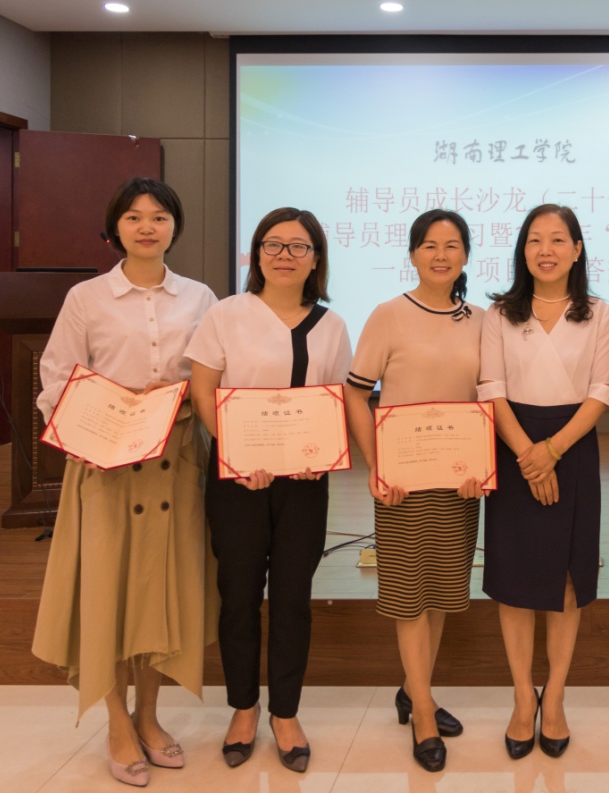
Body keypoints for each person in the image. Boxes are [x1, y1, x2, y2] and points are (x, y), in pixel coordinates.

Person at [32, 177, 219, 787]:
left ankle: (149, 716)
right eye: (134, 216)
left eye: (159, 216)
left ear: (175, 226)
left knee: (160, 594)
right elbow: (56, 377)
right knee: (106, 593)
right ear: (115, 227)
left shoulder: (200, 297)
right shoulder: (86, 297)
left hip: (174, 463)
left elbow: (216, 375)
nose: (147, 226)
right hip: (105, 463)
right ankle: (116, 721)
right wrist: (105, 412)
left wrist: (182, 398)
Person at [185, 208, 351, 774]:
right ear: (256, 254)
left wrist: (319, 452)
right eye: (273, 244)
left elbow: (335, 398)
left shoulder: (331, 325)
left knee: (292, 595)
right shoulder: (225, 315)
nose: (285, 255)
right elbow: (203, 392)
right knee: (237, 594)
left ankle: (285, 712)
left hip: (304, 482)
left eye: (298, 246)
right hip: (238, 479)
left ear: (315, 258)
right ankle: (243, 707)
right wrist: (237, 454)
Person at [344, 209, 485, 773]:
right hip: (402, 482)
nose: (440, 255)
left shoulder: (482, 320)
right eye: (429, 245)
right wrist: (376, 465)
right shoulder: (388, 315)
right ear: (412, 254)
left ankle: (413, 690)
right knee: (409, 597)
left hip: (459, 480)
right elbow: (355, 393)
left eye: (452, 245)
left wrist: (482, 465)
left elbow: (489, 400)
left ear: (466, 255)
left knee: (444, 591)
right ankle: (423, 712)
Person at [478, 204, 609, 760]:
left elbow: (602, 390)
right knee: (514, 580)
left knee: (566, 580)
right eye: (534, 240)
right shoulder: (500, 313)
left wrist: (552, 452)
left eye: (558, 239)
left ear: (577, 250)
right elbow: (492, 388)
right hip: (512, 443)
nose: (546, 250)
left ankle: (554, 697)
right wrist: (528, 457)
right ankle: (521, 698)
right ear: (523, 251)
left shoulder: (598, 313)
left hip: (573, 446)